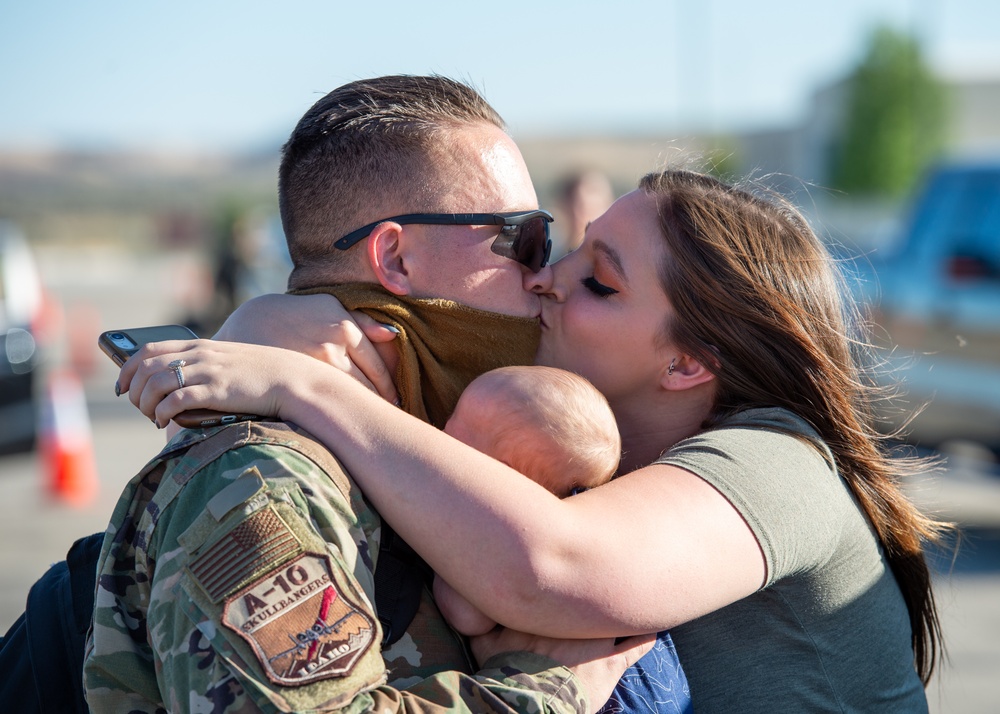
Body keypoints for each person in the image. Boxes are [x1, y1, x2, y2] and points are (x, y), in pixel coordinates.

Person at [124, 168, 948, 712]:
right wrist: (277, 323)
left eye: (599, 281)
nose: (546, 279)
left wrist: (301, 385)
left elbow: (545, 568)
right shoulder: (582, 437)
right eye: (565, 250)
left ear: (690, 362)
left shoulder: (780, 462)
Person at [80, 75, 652, 714]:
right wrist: (544, 687)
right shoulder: (264, 480)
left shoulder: (420, 439)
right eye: (523, 239)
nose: (544, 274)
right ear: (396, 260)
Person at [434, 365, 621, 636]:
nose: (438, 432)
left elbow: (468, 618)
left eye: (456, 438)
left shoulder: (500, 535)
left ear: (501, 477)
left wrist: (438, 532)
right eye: (452, 417)